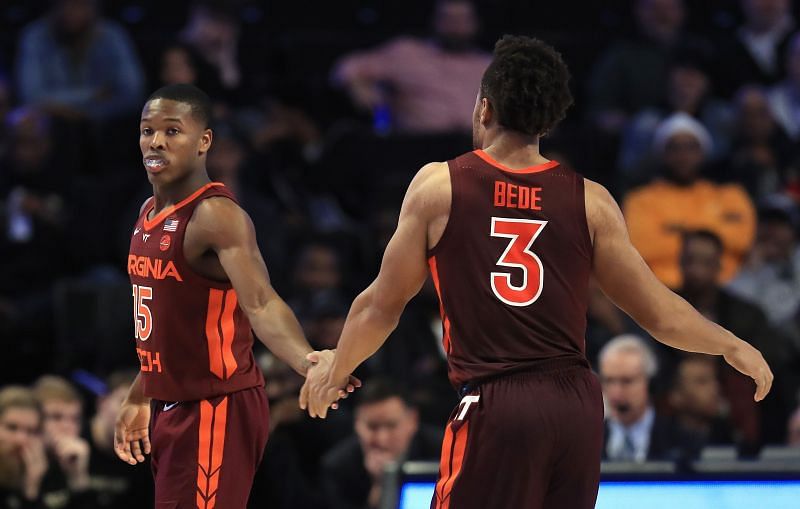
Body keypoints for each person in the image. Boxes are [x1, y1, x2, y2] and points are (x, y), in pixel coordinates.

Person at [302, 35, 773, 509]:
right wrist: (730, 343)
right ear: (548, 119)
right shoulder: (591, 200)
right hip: (578, 405)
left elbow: (382, 305)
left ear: (485, 109)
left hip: (498, 400)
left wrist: (336, 370)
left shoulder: (440, 184)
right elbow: (660, 314)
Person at [114, 84, 355, 508]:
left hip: (215, 405)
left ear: (204, 141)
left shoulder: (215, 216)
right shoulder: (146, 215)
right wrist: (139, 394)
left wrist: (306, 360)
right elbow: (168, 330)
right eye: (147, 130)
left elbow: (261, 302)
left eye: (173, 131)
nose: (155, 141)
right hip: (172, 404)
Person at [623, 112, 756, 288]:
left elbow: (743, 239)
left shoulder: (730, 195)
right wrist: (714, 226)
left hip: (726, 288)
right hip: (663, 290)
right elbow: (642, 247)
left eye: (690, 147)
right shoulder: (640, 200)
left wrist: (678, 230)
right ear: (663, 154)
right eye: (675, 148)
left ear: (702, 152)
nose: (683, 155)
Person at [332, 0, 491, 133]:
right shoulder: (408, 53)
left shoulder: (488, 64)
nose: (455, 27)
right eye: (448, 19)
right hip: (418, 150)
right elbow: (347, 67)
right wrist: (359, 86)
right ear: (435, 21)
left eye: (462, 20)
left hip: (475, 152)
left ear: (475, 23)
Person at [321, 379, 442, 509]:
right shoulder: (338, 468)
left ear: (413, 420)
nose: (382, 439)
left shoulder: (444, 451)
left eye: (391, 425)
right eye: (372, 427)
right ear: (357, 425)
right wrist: (380, 486)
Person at [599, 335, 701, 462]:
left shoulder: (683, 441)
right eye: (609, 381)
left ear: (649, 383)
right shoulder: (585, 442)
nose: (616, 392)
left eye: (627, 381)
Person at [0, 386, 48, 508]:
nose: (21, 440)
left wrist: (31, 489)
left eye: (31, 431)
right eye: (12, 427)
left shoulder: (39, 472)